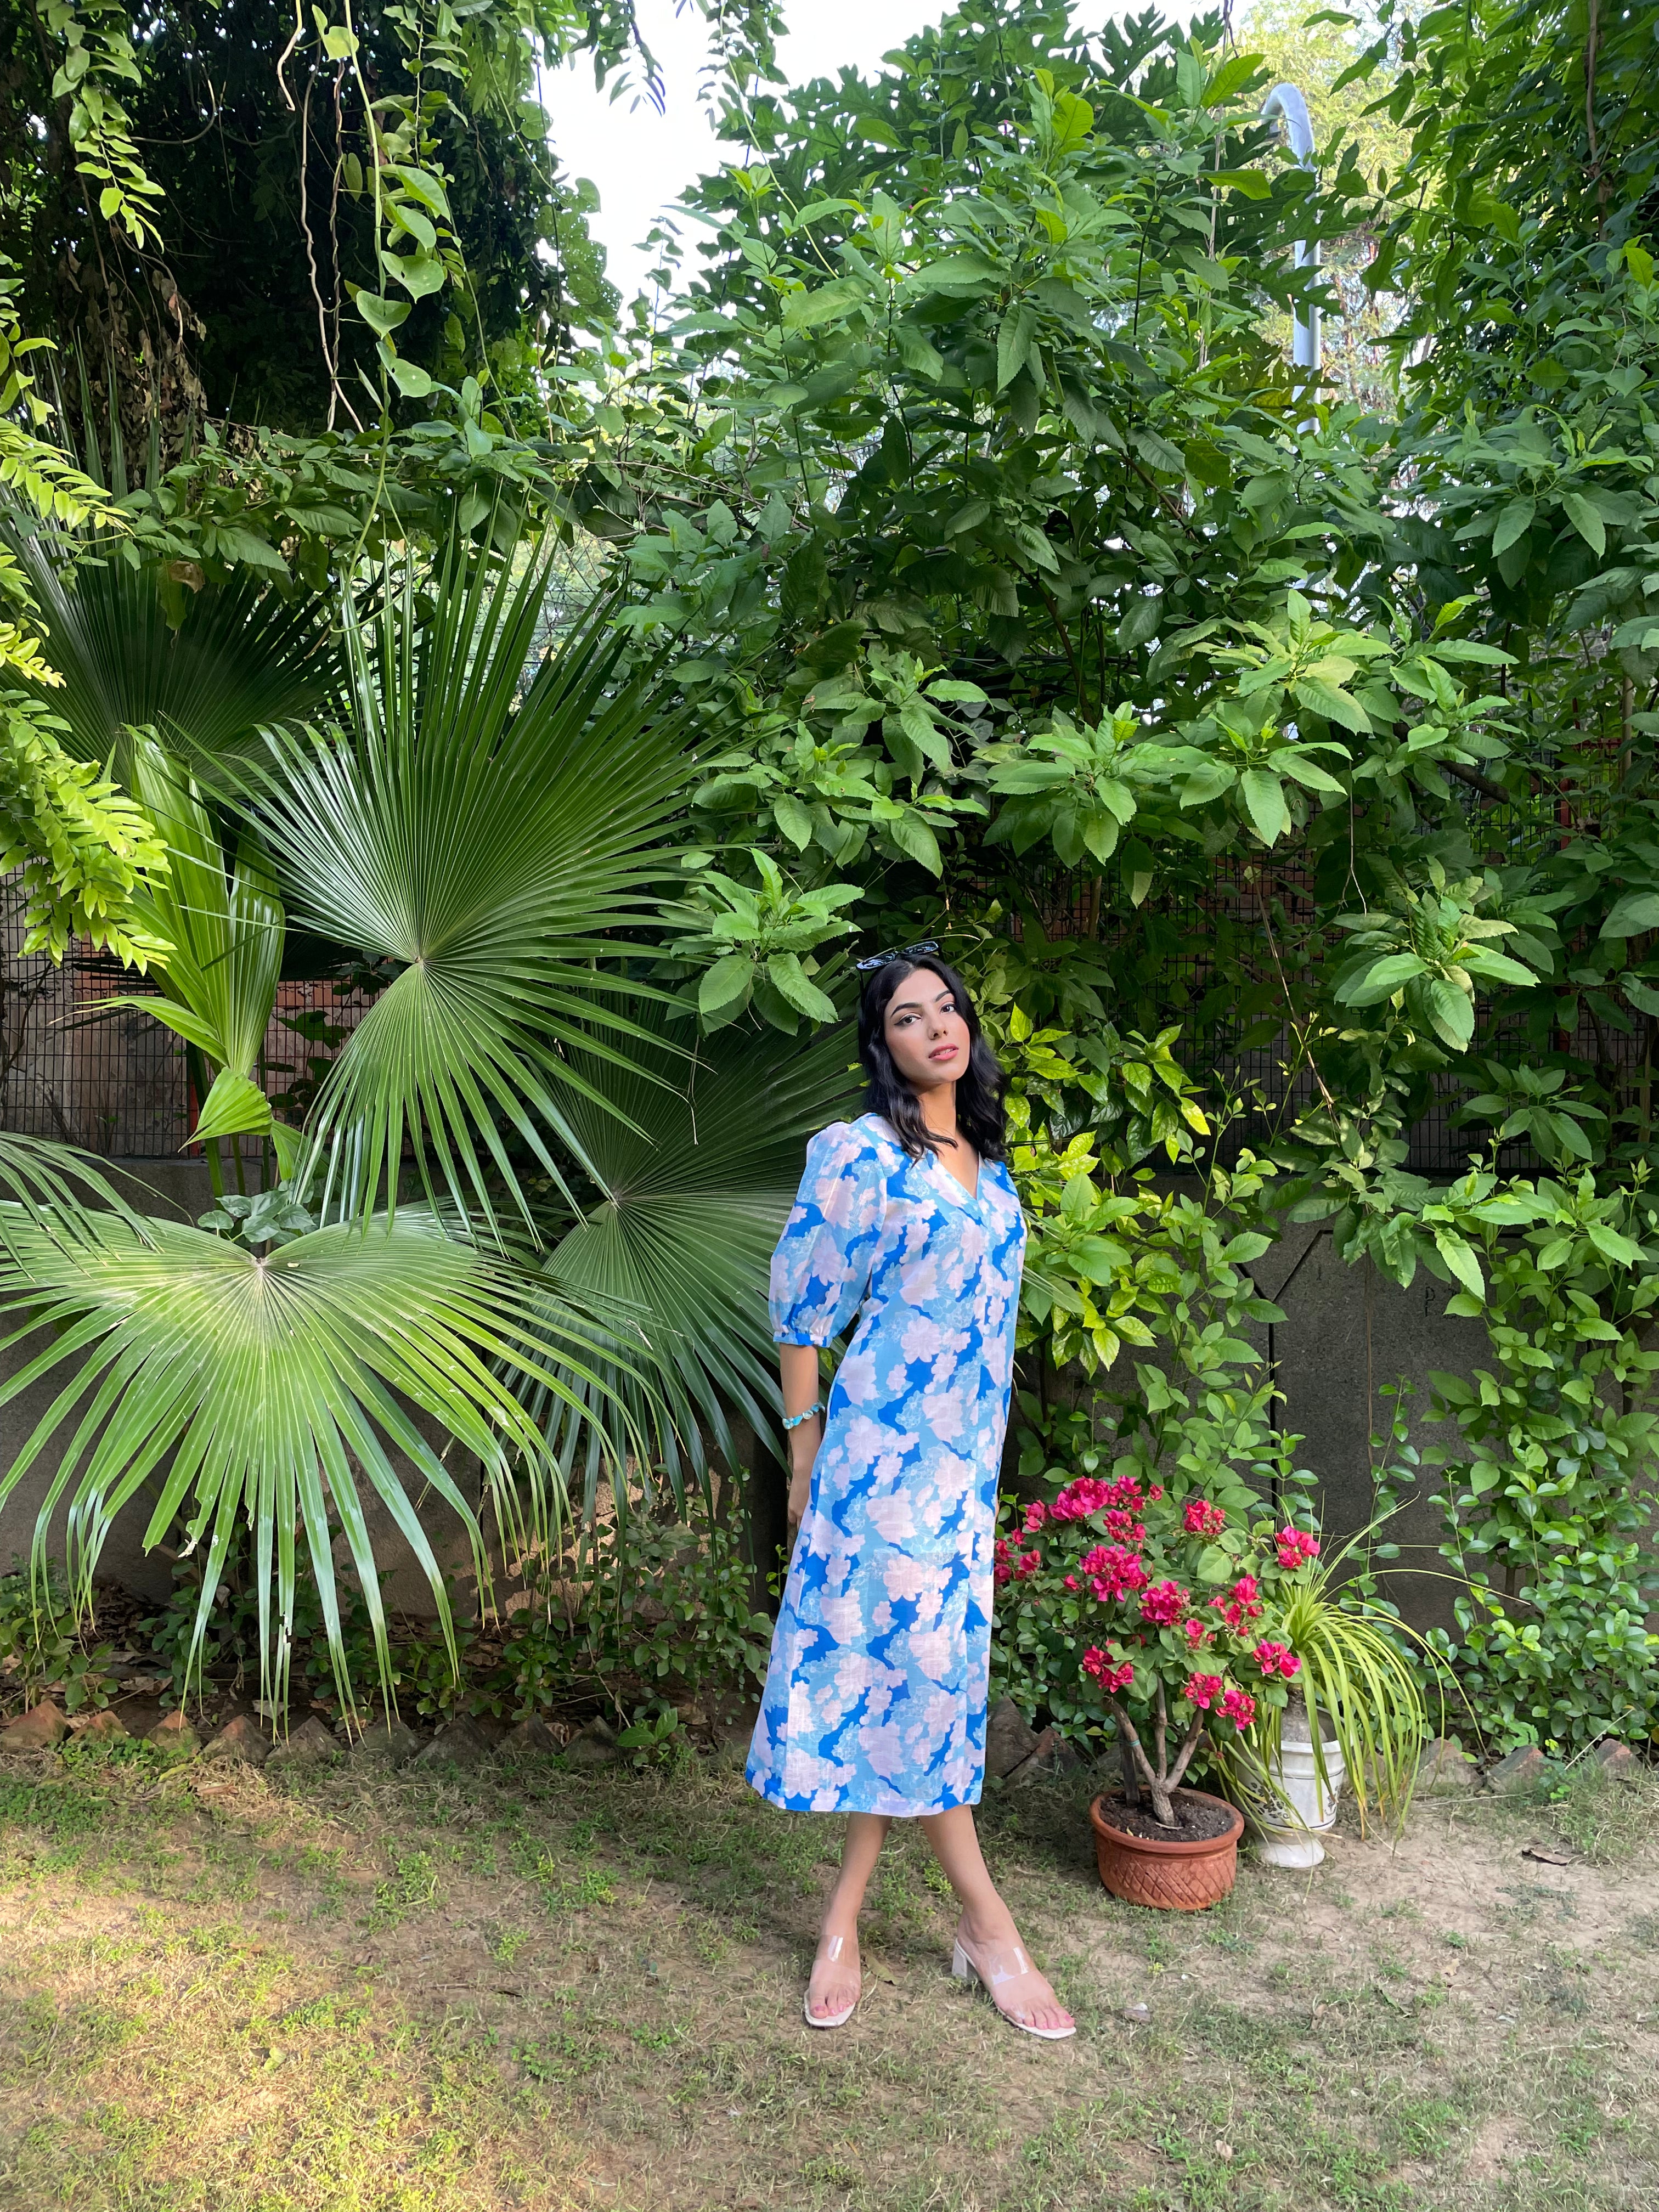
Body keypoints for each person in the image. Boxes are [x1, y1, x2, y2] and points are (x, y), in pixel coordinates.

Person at [745, 944, 1075, 2041]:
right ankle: (989, 1925)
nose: (936, 1027)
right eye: (906, 1018)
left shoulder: (993, 1168)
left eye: (947, 1009)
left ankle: (841, 1917)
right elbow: (802, 1310)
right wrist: (804, 1455)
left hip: (961, 1479)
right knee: (923, 1690)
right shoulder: (861, 1156)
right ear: (879, 1045)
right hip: (881, 1473)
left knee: (912, 1696)